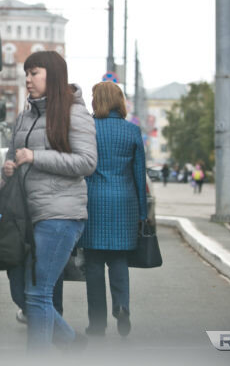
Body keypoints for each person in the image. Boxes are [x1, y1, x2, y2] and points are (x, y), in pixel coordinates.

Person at [2, 51, 97, 350]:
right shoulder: (25, 115)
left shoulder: (74, 113)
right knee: (22, 292)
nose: (28, 80)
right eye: (26, 73)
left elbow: (86, 162)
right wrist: (9, 167)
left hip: (59, 214)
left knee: (39, 293)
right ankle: (70, 343)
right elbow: (13, 156)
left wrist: (35, 157)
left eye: (35, 73)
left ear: (53, 76)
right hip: (25, 216)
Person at [79, 81, 147, 338]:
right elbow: (139, 175)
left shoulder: (88, 130)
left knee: (94, 264)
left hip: (93, 201)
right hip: (124, 203)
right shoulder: (132, 132)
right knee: (119, 261)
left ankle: (96, 325)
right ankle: (121, 305)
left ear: (96, 102)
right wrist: (142, 214)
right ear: (120, 101)